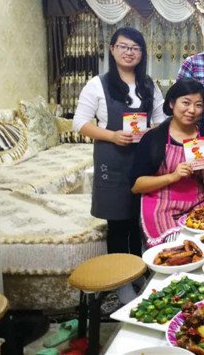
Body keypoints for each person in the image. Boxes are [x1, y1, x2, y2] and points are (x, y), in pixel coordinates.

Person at [73, 27, 165, 302]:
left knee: (140, 219)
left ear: (142, 53)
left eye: (135, 48)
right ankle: (121, 281)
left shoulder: (148, 84)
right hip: (112, 160)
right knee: (118, 222)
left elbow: (161, 120)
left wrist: (150, 131)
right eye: (123, 46)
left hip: (142, 159)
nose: (129, 52)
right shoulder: (97, 84)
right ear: (112, 49)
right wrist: (112, 135)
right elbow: (80, 123)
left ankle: (141, 272)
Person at [130, 79, 204, 247]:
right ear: (171, 103)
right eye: (185, 103)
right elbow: (136, 185)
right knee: (178, 250)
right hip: (161, 208)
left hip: (200, 206)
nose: (192, 110)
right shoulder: (153, 138)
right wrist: (173, 176)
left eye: (198, 105)